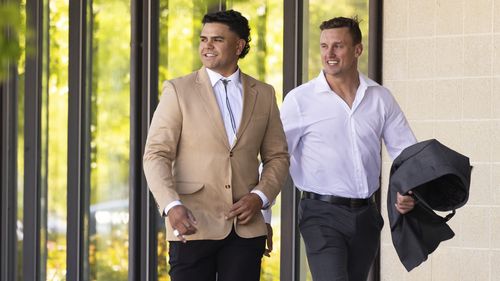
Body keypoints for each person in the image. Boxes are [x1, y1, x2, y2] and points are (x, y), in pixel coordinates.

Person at [143, 9, 289, 281]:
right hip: (192, 223)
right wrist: (171, 205)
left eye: (217, 39)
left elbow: (278, 156)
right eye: (203, 39)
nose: (207, 46)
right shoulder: (178, 90)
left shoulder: (265, 94)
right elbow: (156, 154)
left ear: (239, 45)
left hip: (245, 228)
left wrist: (260, 197)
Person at [280, 16, 417, 281]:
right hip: (321, 214)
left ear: (357, 49)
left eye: (338, 46)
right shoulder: (300, 100)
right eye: (323, 46)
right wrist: (260, 207)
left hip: (366, 214)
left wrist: (408, 189)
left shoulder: (380, 98)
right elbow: (277, 156)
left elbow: (405, 151)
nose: (328, 54)